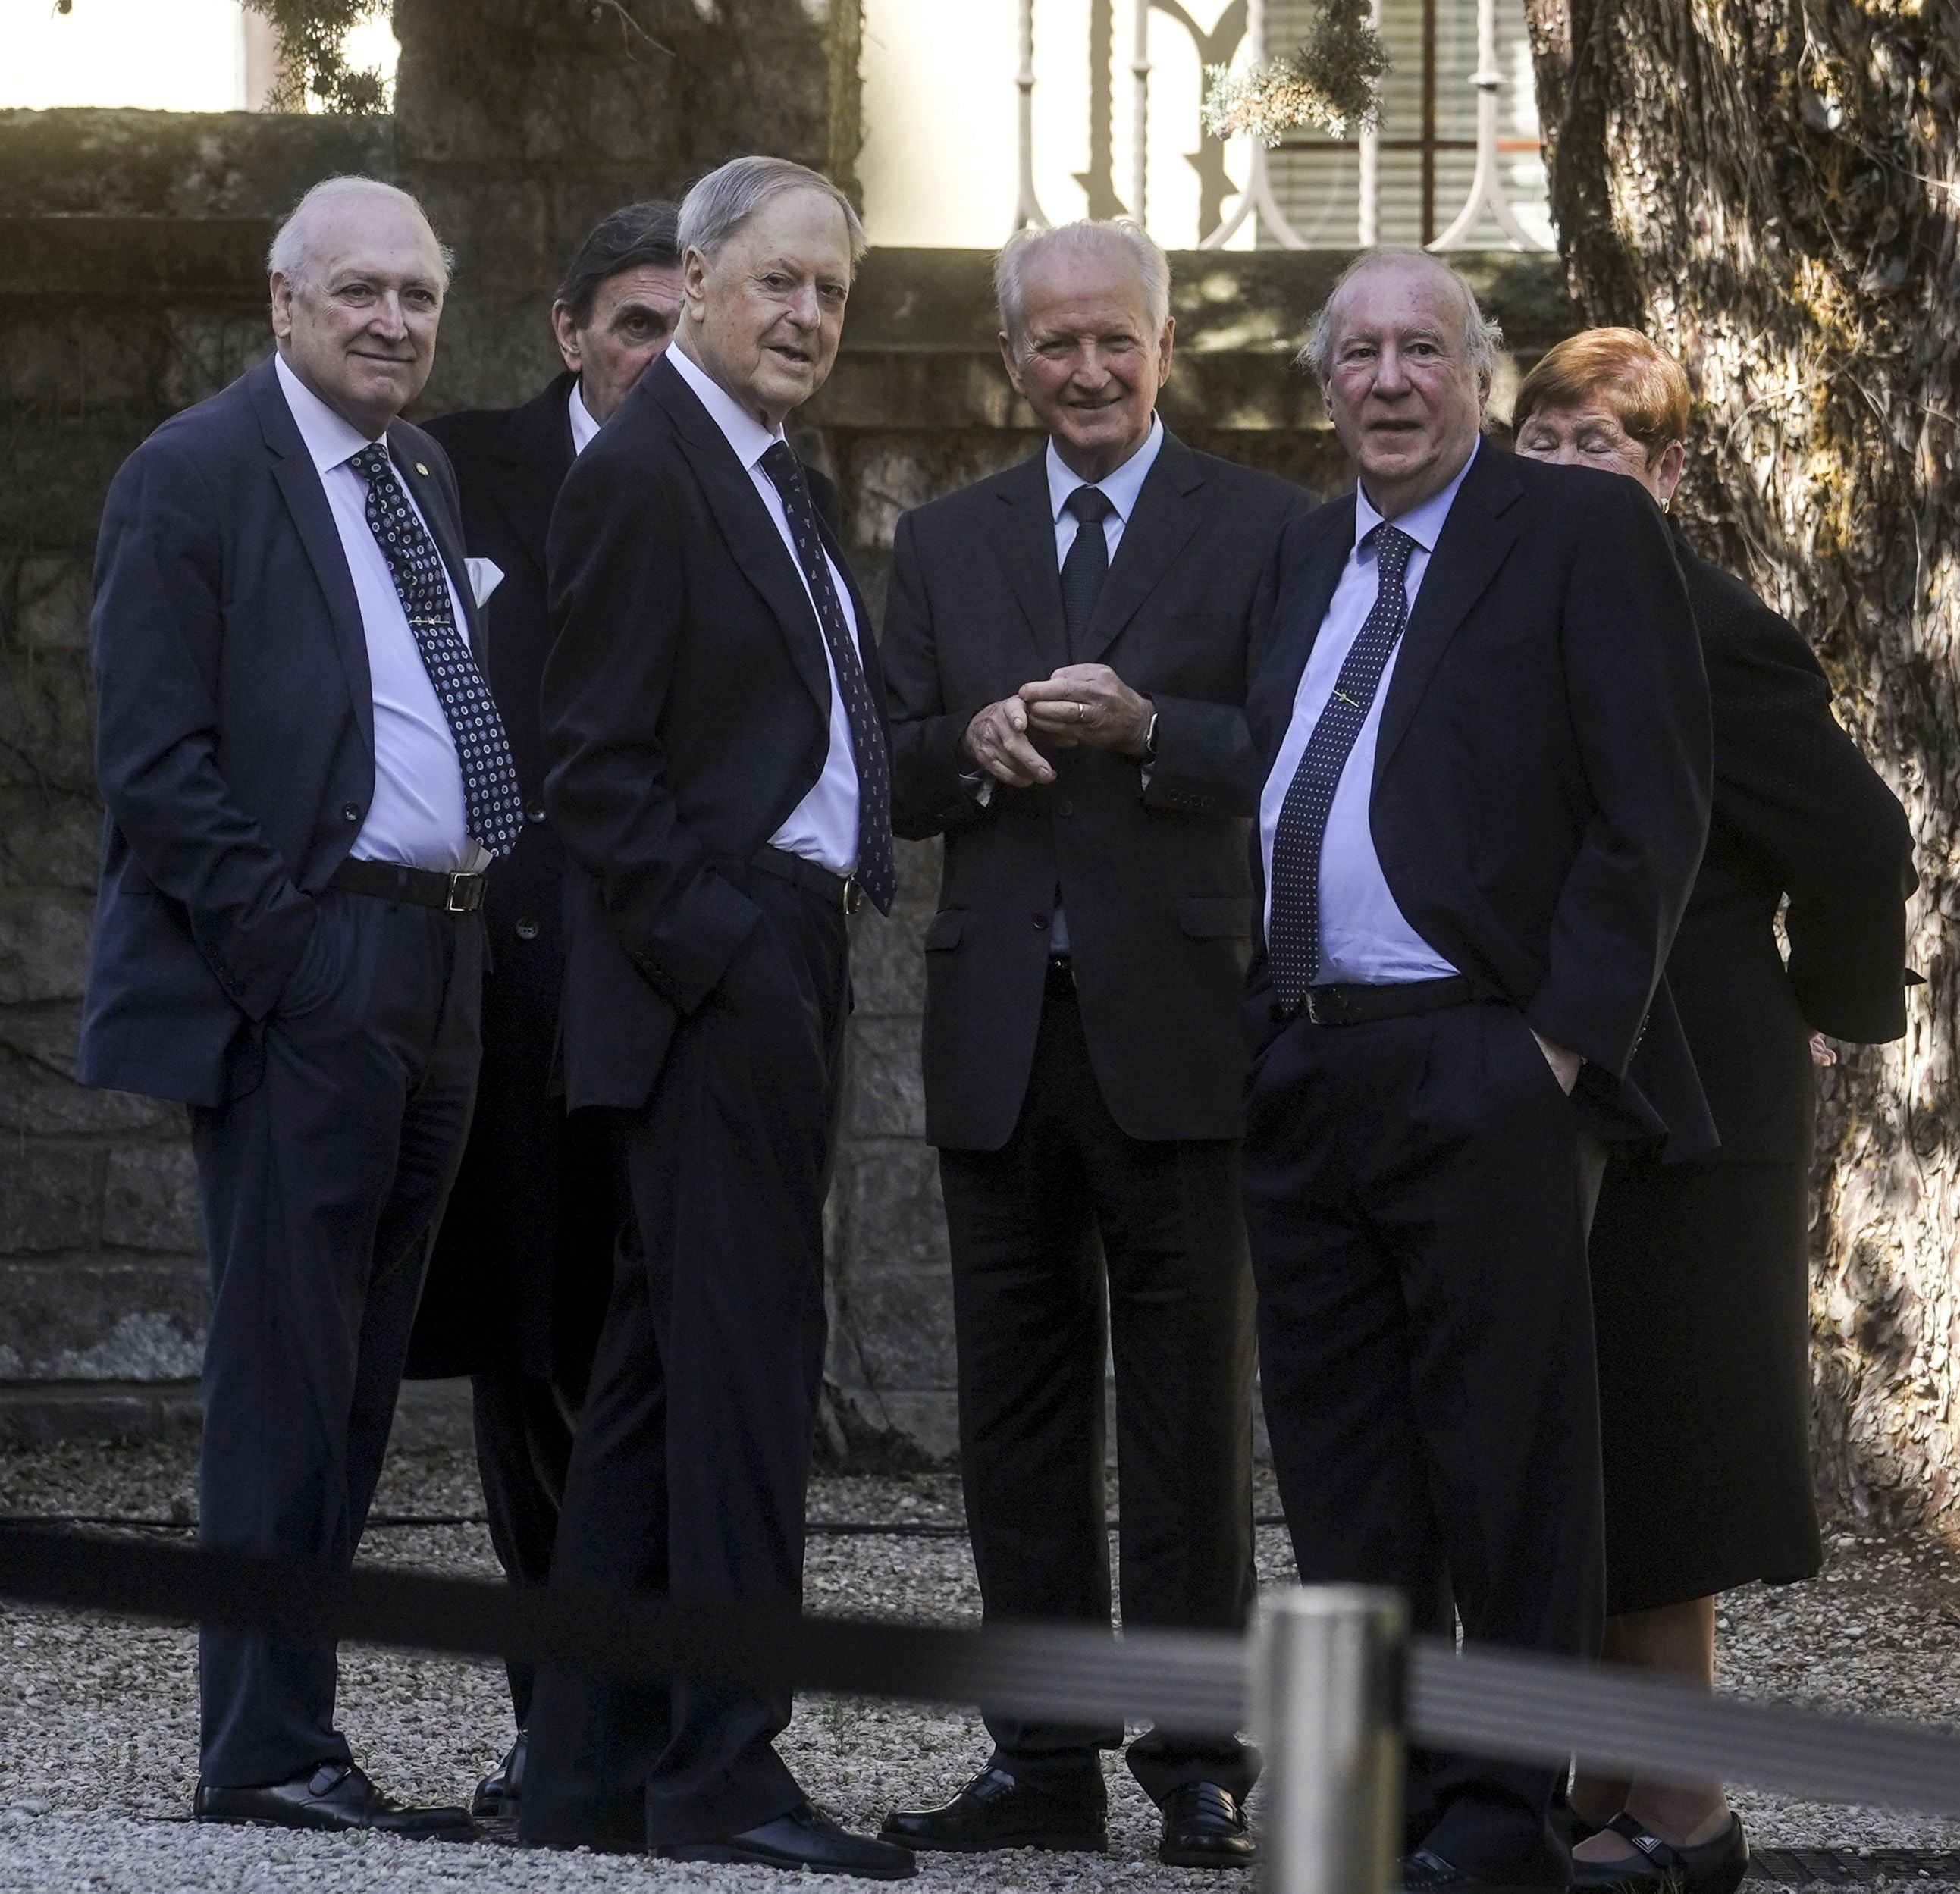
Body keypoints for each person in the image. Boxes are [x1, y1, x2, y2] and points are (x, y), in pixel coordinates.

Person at [1242, 252, 1713, 1894]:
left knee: (1506, 1470)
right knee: (1340, 1468)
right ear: (1324, 386)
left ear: (1480, 376)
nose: (1388, 380)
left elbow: (1651, 808)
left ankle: (1502, 1822)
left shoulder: (1579, 532)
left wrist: (1554, 1050)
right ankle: (1377, 1800)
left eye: (1421, 351)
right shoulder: (1303, 555)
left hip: (1482, 1055)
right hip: (1306, 1063)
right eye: (1357, 353)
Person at [78, 176, 514, 1839]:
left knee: (356, 1376)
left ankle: (303, 1733)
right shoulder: (192, 474)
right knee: (283, 1373)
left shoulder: (418, 466)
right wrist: (293, 957)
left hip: (443, 959)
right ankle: (258, 1748)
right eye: (359, 293)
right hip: (309, 968)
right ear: (285, 304)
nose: (393, 319)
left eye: (416, 291)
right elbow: (155, 766)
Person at [877, 219, 1306, 1872]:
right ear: (1011, 363)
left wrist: (1154, 731)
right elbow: (892, 764)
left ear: (1164, 347)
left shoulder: (1266, 528)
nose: (1085, 369)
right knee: (1019, 1415)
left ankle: (1197, 1758)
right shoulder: (945, 538)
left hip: (1185, 1028)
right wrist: (973, 747)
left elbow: (1293, 748)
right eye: (1052, 343)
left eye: (1112, 339)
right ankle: (1042, 1755)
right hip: (1001, 1034)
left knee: (1194, 1414)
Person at [515, 156, 911, 1880]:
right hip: (714, 972)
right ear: (692, 280)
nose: (809, 315)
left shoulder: (776, 479)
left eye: (831, 291)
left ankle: (588, 1771)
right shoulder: (651, 468)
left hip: (779, 947)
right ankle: (730, 1773)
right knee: (745, 1382)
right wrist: (724, 951)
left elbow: (825, 731)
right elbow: (590, 765)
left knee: (664, 1380)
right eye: (779, 283)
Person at [1511, 328, 1918, 1894]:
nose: (1564, 470)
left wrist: (1828, 1011)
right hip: (1598, 1088)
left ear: (1669, 475)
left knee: (1668, 1452)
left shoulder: (1702, 621)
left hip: (1697, 1099)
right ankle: (1603, 1782)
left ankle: (1688, 1817)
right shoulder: (1534, 599)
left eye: (1600, 446)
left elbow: (1862, 838)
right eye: (1542, 441)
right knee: (1600, 1450)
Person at [405, 199, 683, 1821]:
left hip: (665, 984)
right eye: (633, 323)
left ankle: (643, 1710)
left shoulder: (748, 487)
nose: (656, 354)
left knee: (649, 1350)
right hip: (500, 984)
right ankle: (552, 1721)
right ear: (571, 333)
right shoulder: (455, 469)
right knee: (524, 1352)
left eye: (677, 324)